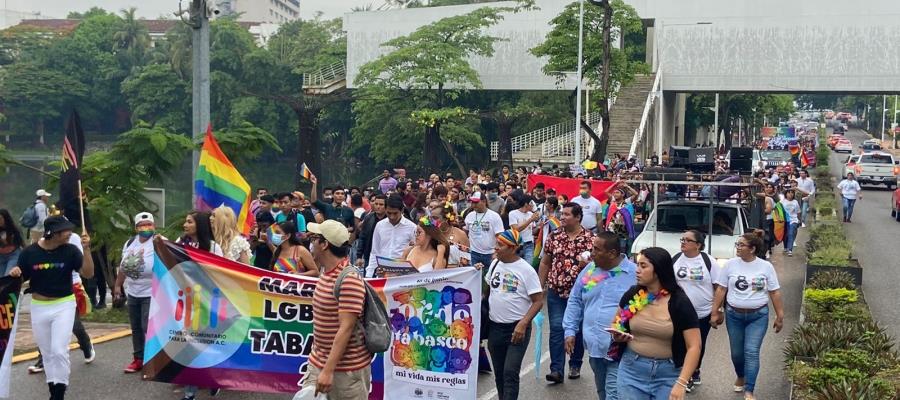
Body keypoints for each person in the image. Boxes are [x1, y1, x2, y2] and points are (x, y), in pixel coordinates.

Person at [9, 215, 94, 399]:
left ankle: (59, 394)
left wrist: (86, 250)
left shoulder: (71, 251)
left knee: (58, 350)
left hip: (64, 305)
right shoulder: (30, 253)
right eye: (65, 230)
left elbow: (88, 273)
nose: (70, 233)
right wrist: (16, 272)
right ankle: (53, 389)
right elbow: (21, 276)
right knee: (47, 353)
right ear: (52, 234)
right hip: (39, 307)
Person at [610, 247, 700, 400]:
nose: (637, 270)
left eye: (643, 266)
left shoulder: (679, 302)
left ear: (658, 270)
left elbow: (694, 346)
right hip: (632, 370)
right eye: (637, 265)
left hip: (668, 374)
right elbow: (616, 323)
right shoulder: (633, 294)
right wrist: (617, 336)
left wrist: (681, 383)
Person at [711, 232, 785, 400]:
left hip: (758, 316)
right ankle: (741, 375)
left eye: (741, 245)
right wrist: (715, 311)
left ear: (752, 249)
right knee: (737, 354)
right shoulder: (730, 265)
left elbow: (774, 292)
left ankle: (749, 390)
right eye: (737, 244)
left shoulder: (765, 267)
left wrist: (780, 315)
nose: (737, 247)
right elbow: (721, 289)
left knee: (751, 351)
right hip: (734, 315)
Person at [303, 220, 371, 400]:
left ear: (325, 244)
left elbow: (346, 328)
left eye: (314, 238)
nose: (311, 242)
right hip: (318, 363)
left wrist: (328, 370)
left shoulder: (349, 279)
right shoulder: (326, 272)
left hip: (345, 372)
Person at [563, 232, 636, 399]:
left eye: (596, 249)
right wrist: (570, 331)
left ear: (612, 253)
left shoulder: (633, 274)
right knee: (602, 392)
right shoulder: (589, 271)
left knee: (613, 393)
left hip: (621, 350)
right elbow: (575, 300)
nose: (591, 253)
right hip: (595, 346)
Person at [538, 202, 595, 383]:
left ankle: (575, 363)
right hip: (556, 291)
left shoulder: (590, 239)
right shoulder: (554, 237)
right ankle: (556, 370)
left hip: (581, 294)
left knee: (576, 329)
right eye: (562, 214)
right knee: (556, 328)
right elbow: (546, 262)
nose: (562, 217)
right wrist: (539, 287)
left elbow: (600, 267)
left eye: (567, 214)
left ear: (578, 217)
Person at [484, 229, 544, 400]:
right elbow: (488, 289)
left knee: (510, 372)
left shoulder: (526, 270)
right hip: (495, 328)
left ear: (513, 248)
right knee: (499, 374)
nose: (496, 248)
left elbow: (538, 301)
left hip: (517, 329)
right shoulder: (495, 264)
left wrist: (523, 323)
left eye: (500, 245)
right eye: (496, 244)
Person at [176, 211, 222, 400]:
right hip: (184, 299)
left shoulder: (213, 246)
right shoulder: (178, 242)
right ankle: (190, 390)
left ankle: (211, 379)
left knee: (203, 344)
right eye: (185, 221)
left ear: (200, 225)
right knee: (189, 344)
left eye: (189, 222)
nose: (185, 225)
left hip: (207, 302)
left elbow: (221, 272)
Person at [114, 212, 159, 374]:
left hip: (152, 292)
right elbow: (123, 266)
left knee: (148, 326)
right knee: (136, 328)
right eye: (142, 225)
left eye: (149, 224)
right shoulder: (130, 243)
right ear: (136, 228)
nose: (146, 228)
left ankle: (154, 359)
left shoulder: (159, 242)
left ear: (154, 226)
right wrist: (118, 285)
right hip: (133, 292)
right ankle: (138, 359)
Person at [671, 230, 716, 391]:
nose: (683, 242)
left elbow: (718, 287)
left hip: (702, 313)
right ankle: (685, 375)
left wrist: (718, 310)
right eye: (682, 239)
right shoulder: (676, 259)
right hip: (679, 313)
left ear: (698, 245)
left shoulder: (708, 261)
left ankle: (694, 371)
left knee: (697, 344)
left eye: (688, 240)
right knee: (680, 344)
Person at [366, 195, 417, 277]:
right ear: (385, 210)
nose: (392, 217)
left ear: (402, 210)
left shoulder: (412, 227)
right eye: (389, 213)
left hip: (403, 275)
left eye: (395, 213)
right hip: (382, 273)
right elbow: (375, 251)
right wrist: (370, 274)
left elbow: (416, 251)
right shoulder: (380, 225)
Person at [463, 192, 505, 270]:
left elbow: (500, 236)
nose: (474, 205)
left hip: (490, 254)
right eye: (472, 202)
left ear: (484, 201)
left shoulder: (494, 216)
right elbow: (465, 232)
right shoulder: (470, 215)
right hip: (474, 253)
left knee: (488, 278)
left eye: (476, 202)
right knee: (474, 277)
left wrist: (496, 252)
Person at [428, 200, 470, 267]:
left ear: (446, 219)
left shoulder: (460, 234)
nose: (432, 221)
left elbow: (467, 262)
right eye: (430, 218)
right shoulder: (430, 234)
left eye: (435, 218)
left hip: (454, 274)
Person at [356, 195, 387, 268]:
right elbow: (362, 237)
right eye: (376, 204)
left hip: (385, 256)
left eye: (381, 204)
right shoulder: (368, 218)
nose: (378, 206)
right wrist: (359, 256)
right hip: (369, 255)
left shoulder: (389, 219)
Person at [507, 195, 540, 260]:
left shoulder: (530, 214)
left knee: (529, 266)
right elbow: (516, 229)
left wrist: (539, 227)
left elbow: (532, 231)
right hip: (517, 245)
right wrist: (530, 220)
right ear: (526, 204)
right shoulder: (513, 213)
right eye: (531, 203)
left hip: (529, 244)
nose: (533, 205)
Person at [0, 209, 25, 276]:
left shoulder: (13, 229)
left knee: (8, 275)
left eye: (0, 219)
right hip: (1, 256)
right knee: (1, 278)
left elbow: (21, 242)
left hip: (13, 255)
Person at [780, 190, 800, 256]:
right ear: (786, 194)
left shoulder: (795, 202)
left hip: (793, 220)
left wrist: (800, 220)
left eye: (792, 193)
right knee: (785, 235)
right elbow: (779, 211)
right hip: (785, 221)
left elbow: (798, 212)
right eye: (789, 193)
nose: (790, 194)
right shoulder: (782, 202)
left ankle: (790, 250)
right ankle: (785, 247)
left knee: (791, 234)